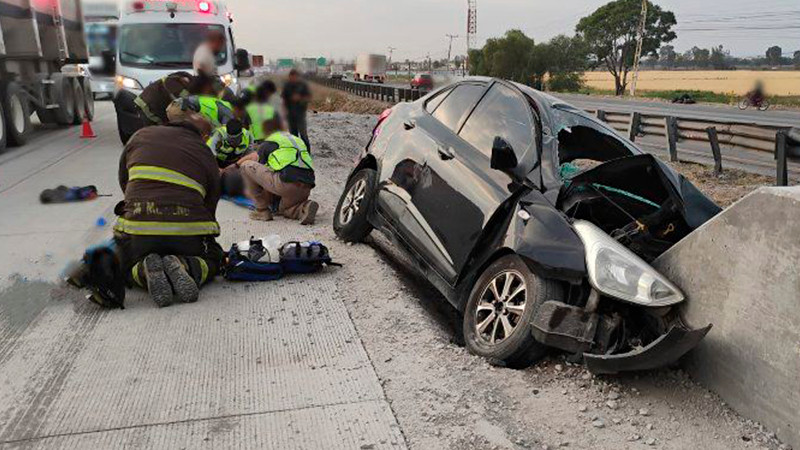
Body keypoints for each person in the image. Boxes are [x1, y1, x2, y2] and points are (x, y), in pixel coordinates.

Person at [111, 109, 224, 307]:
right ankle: (188, 266)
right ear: (204, 135)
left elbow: (124, 181)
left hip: (140, 231)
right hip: (186, 235)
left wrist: (141, 210)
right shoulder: (203, 150)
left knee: (125, 262)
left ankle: (143, 272)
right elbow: (211, 200)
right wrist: (205, 237)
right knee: (215, 258)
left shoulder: (140, 135)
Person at [234, 115, 319, 225]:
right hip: (306, 187)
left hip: (287, 184)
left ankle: (261, 211)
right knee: (284, 210)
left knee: (246, 166)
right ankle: (303, 208)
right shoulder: (297, 140)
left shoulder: (270, 142)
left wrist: (237, 165)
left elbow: (260, 175)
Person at [114, 72, 216, 144]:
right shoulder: (178, 86)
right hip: (148, 108)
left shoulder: (185, 80)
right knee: (156, 136)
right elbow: (184, 107)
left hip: (156, 106)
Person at [281, 69, 312, 150]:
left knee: (303, 134)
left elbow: (309, 97)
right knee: (293, 135)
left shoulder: (303, 85)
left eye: (294, 77)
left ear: (297, 77)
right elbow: (283, 99)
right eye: (291, 77)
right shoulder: (287, 85)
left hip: (300, 113)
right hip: (290, 114)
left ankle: (307, 151)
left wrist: (300, 98)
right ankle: (296, 152)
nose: (293, 79)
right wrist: (284, 111)